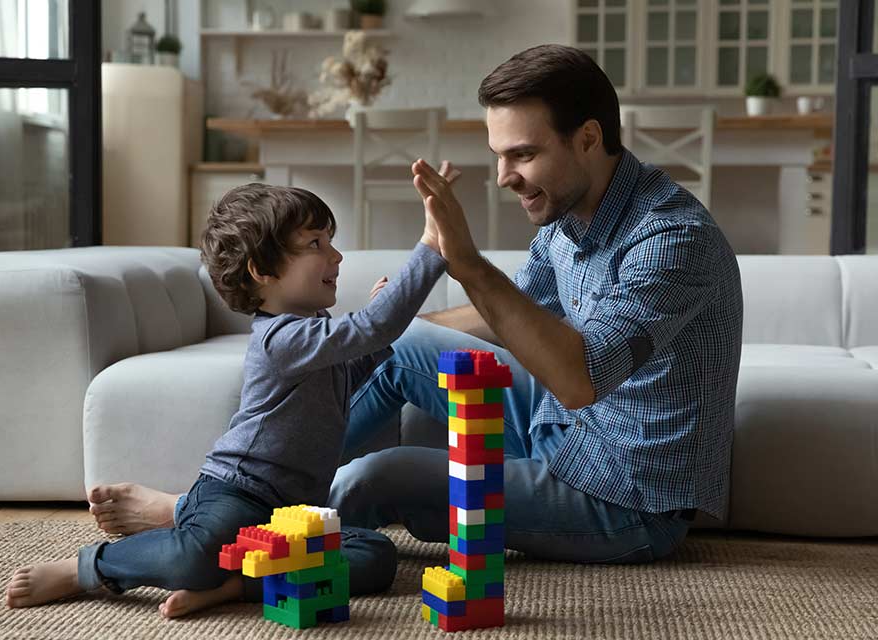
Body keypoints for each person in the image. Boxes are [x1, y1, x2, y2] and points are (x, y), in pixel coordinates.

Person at [84, 43, 743, 565]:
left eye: (524, 154)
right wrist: (392, 328)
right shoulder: (569, 219)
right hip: (561, 430)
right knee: (393, 347)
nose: (506, 176)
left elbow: (577, 378)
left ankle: (210, 525)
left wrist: (462, 259)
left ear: (590, 138)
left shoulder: (671, 239)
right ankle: (229, 500)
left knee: (379, 478)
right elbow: (508, 313)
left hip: (622, 497)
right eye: (499, 154)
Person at [4, 181, 450, 617]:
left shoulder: (315, 330)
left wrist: (373, 332)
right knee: (192, 558)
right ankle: (86, 567)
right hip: (237, 491)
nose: (335, 255)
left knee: (376, 555)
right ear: (263, 270)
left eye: (330, 241)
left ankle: (236, 585)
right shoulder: (281, 338)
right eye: (316, 243)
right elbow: (373, 327)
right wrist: (431, 246)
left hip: (293, 510)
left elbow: (350, 370)